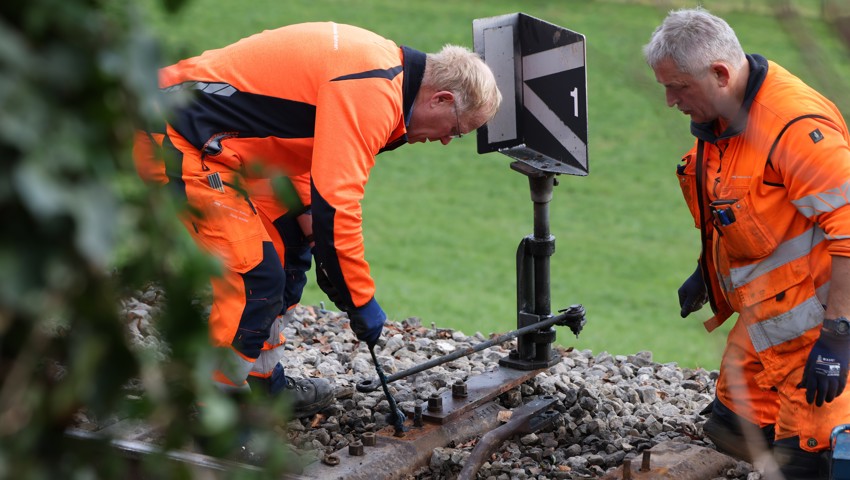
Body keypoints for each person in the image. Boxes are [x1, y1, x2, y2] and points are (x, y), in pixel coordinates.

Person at [133, 22, 502, 419]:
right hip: (174, 138)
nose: (447, 139)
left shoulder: (383, 70)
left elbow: (299, 144)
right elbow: (337, 205)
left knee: (292, 242)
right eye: (458, 130)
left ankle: (262, 383)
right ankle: (214, 414)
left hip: (226, 145)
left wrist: (307, 217)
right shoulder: (374, 91)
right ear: (442, 99)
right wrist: (360, 299)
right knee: (255, 279)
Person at [643, 7, 850, 479]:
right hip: (767, 322)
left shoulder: (794, 129)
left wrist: (839, 336)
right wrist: (706, 270)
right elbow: (732, 205)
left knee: (810, 461)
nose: (670, 102)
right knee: (731, 428)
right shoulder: (724, 120)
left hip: (820, 333)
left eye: (678, 87)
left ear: (719, 73)